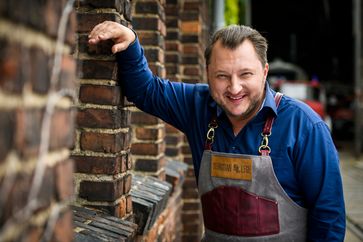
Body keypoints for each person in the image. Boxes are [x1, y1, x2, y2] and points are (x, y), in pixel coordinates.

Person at [89, 21, 346, 241]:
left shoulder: (305, 127)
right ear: (208, 74)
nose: (234, 88)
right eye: (222, 76)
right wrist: (131, 43)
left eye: (245, 74)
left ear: (264, 72)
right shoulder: (199, 106)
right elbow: (145, 91)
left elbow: (329, 217)